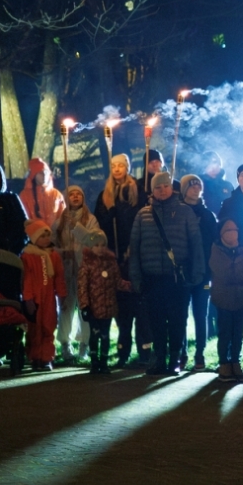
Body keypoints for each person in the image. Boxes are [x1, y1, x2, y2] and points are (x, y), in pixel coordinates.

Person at [128, 172, 206, 375]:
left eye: (165, 186)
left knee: (177, 320)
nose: (162, 190)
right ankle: (159, 358)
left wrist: (197, 272)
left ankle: (175, 358)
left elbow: (196, 245)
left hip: (177, 278)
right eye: (157, 187)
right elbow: (134, 248)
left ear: (172, 188)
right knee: (156, 320)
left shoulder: (185, 212)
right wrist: (135, 276)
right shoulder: (143, 214)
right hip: (152, 277)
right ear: (152, 190)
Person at [93, 154, 144, 366]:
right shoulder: (105, 195)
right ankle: (123, 349)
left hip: (134, 253)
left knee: (138, 303)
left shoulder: (136, 191)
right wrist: (110, 214)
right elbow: (99, 225)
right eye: (113, 165)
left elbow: (140, 218)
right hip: (113, 254)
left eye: (121, 165)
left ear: (127, 167)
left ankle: (144, 351)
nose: (117, 169)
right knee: (121, 306)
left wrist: (134, 247)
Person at [209, 219, 243, 382]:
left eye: (235, 229)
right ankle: (224, 364)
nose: (233, 233)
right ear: (221, 234)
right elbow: (224, 275)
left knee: (238, 334)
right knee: (225, 333)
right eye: (229, 230)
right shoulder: (216, 251)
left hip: (240, 299)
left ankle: (235, 363)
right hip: (223, 300)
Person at [54, 186, 99, 364]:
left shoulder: (91, 219)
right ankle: (65, 343)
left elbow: (94, 240)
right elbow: (51, 243)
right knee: (66, 306)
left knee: (85, 307)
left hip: (84, 269)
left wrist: (77, 228)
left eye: (78, 194)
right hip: (66, 270)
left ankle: (84, 344)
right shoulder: (60, 221)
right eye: (71, 194)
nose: (74, 197)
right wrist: (63, 252)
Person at [181, 175, 220, 371]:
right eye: (192, 185)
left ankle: (200, 354)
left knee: (200, 313)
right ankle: (182, 352)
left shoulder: (207, 215)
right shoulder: (178, 212)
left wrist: (211, 268)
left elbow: (214, 242)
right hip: (182, 271)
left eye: (198, 185)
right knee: (181, 314)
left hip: (203, 272)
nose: (196, 188)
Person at [21, 219, 66, 371]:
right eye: (42, 236)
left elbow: (59, 277)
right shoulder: (27, 257)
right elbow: (26, 279)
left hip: (49, 299)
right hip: (34, 298)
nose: (47, 239)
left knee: (48, 325)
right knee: (34, 328)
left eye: (48, 236)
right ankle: (35, 357)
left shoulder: (53, 256)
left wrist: (62, 294)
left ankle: (46, 357)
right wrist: (27, 298)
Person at [75, 225, 119, 374]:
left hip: (107, 306)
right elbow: (82, 286)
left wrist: (130, 286)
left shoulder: (111, 263)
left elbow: (117, 281)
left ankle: (104, 363)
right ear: (90, 246)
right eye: (96, 245)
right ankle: (94, 363)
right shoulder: (87, 264)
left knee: (105, 335)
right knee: (94, 335)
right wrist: (84, 305)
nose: (100, 248)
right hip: (93, 308)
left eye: (102, 245)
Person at [17, 158, 64, 229]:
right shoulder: (24, 195)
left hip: (55, 237)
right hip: (34, 237)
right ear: (34, 175)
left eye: (46, 172)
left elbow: (63, 217)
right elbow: (23, 219)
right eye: (41, 172)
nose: (44, 175)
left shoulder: (57, 195)